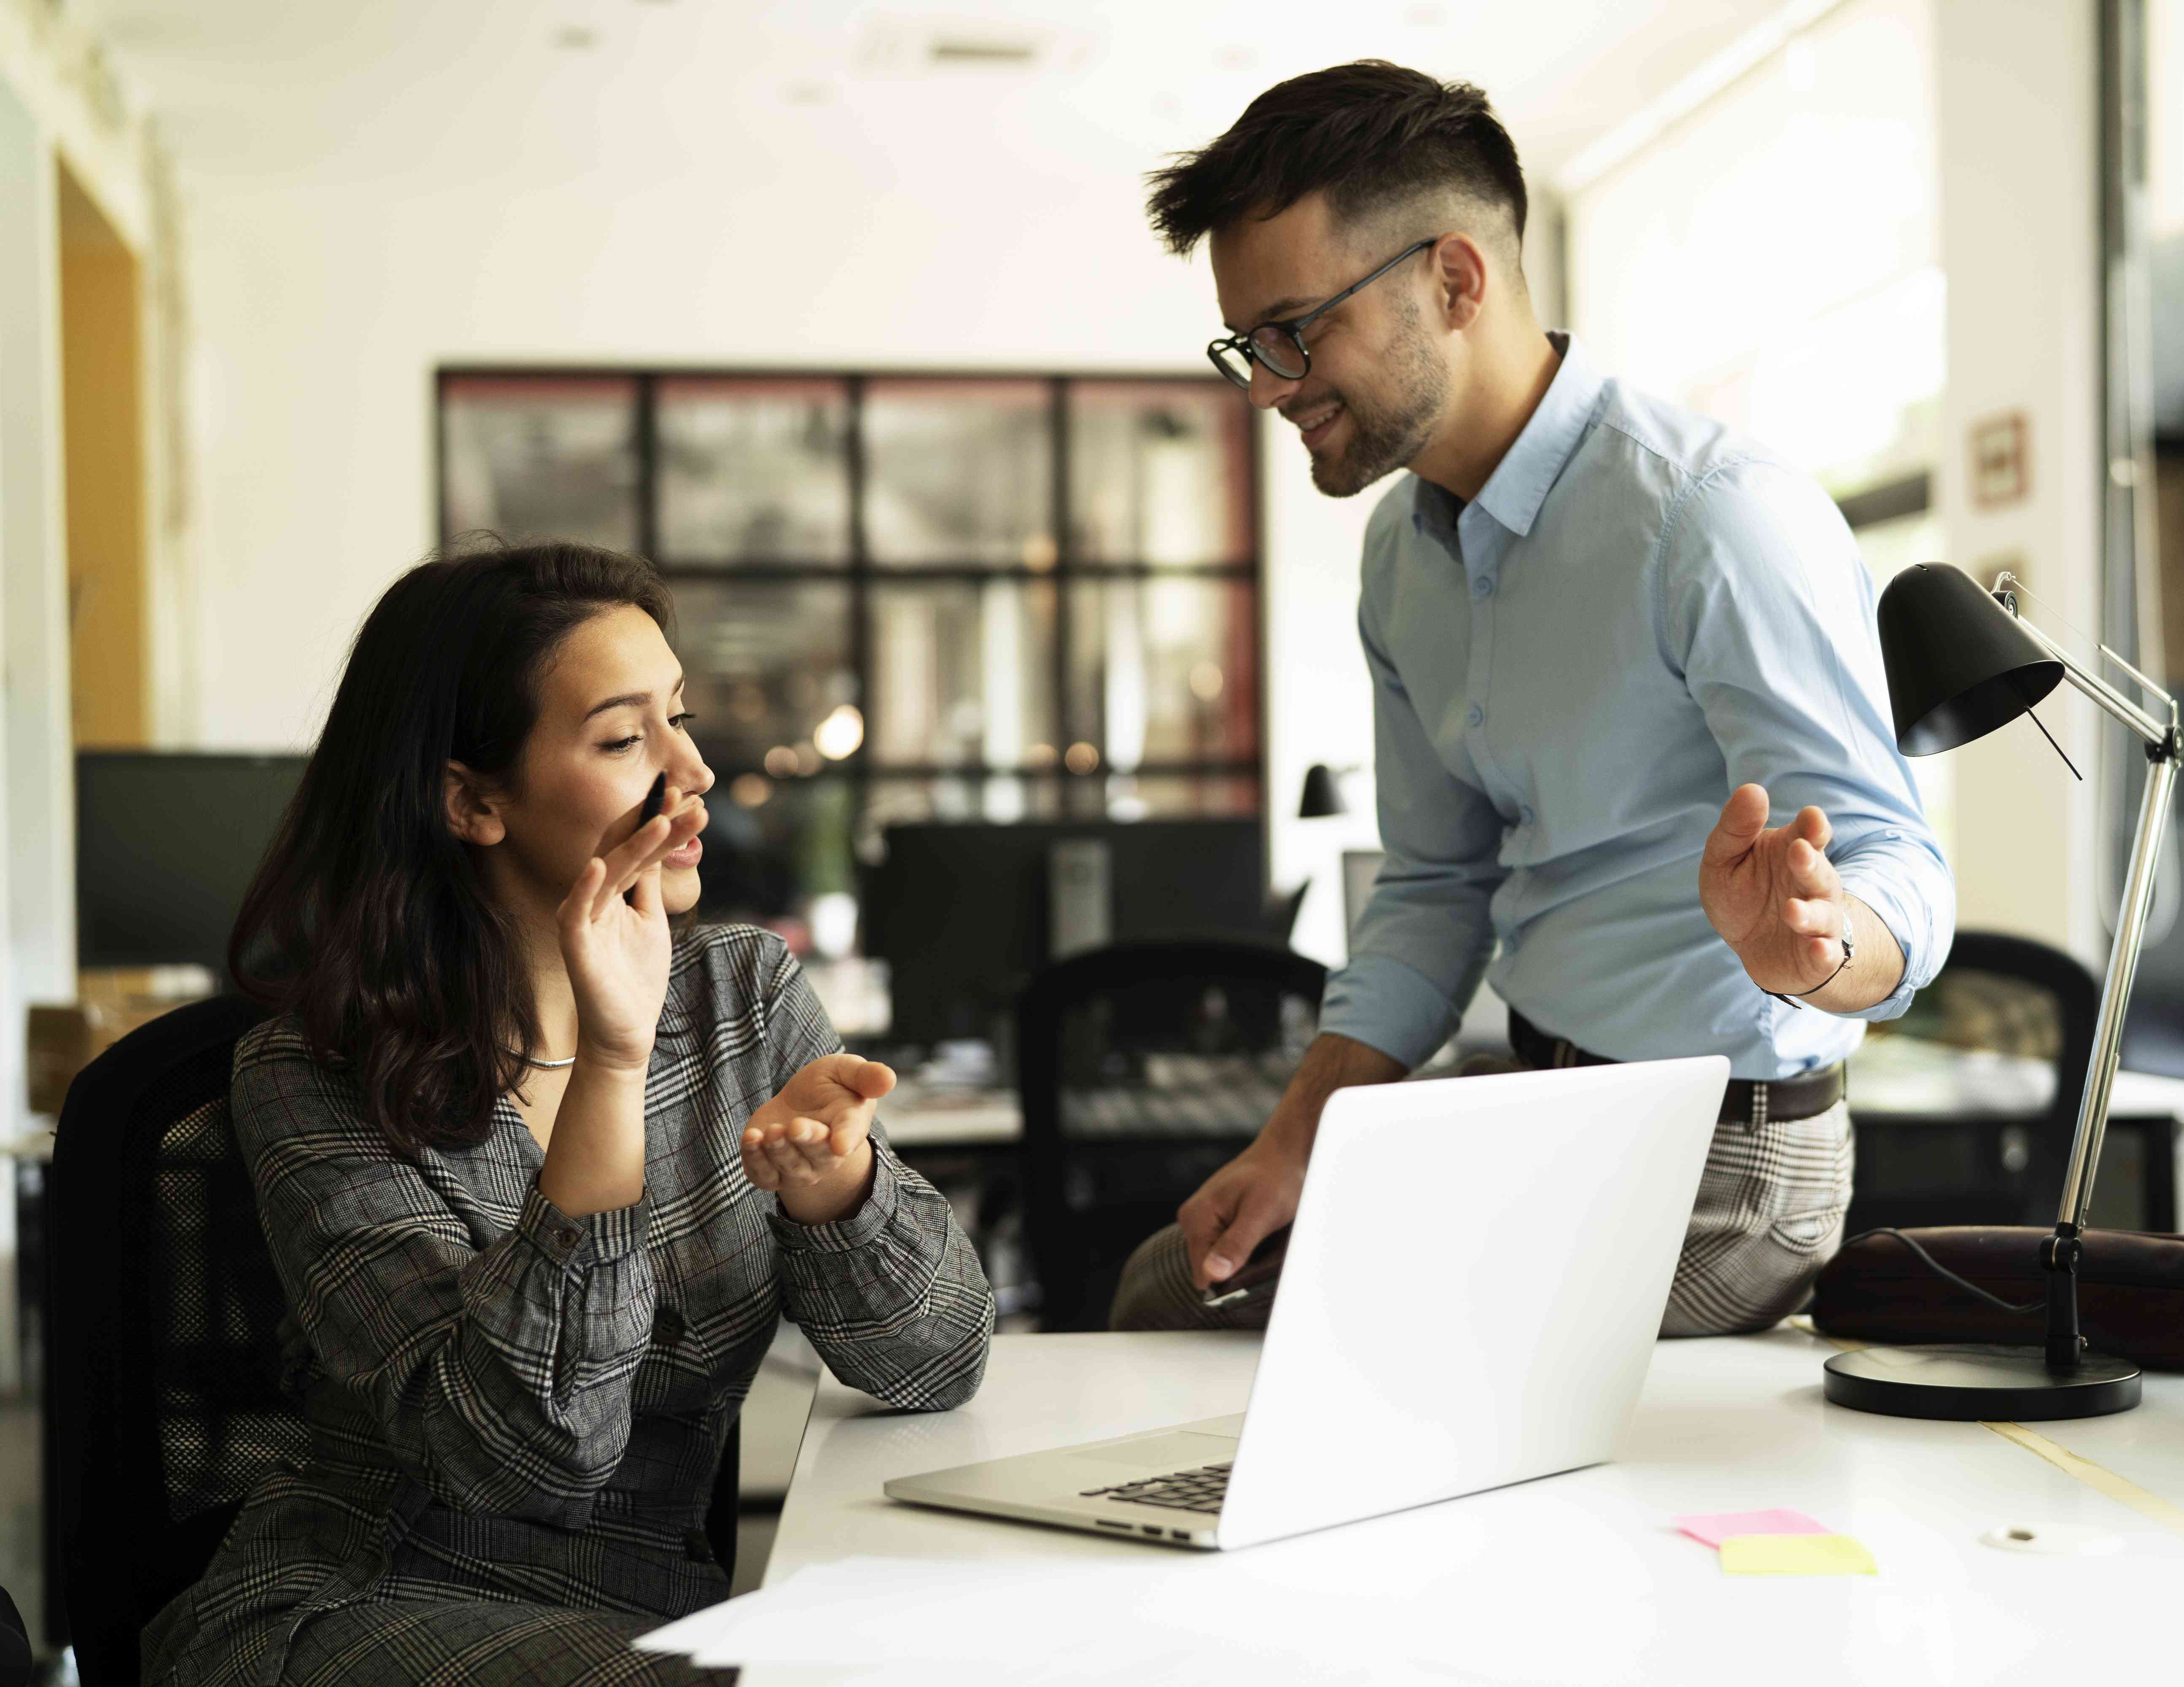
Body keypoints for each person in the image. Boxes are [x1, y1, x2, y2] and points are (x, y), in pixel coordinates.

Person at [1110, 62, 1954, 1337]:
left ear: (1456, 280)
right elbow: (1435, 889)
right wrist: (1293, 1144)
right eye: (1250, 345)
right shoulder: (1404, 553)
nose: (1269, 387)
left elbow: (1896, 861)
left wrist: (1823, 947)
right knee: (1165, 1297)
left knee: (1344, 1364)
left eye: (1298, 330)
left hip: (1730, 1168)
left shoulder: (1710, 517)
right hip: (1535, 1117)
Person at [143, 542, 993, 1686]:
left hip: (651, 1616)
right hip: (369, 1603)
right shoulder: (312, 1073)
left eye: (680, 718)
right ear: (472, 801)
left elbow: (939, 1364)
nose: (690, 771)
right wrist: (611, 1060)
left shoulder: (741, 997)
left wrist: (837, 1193)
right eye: (622, 738)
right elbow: (527, 1460)